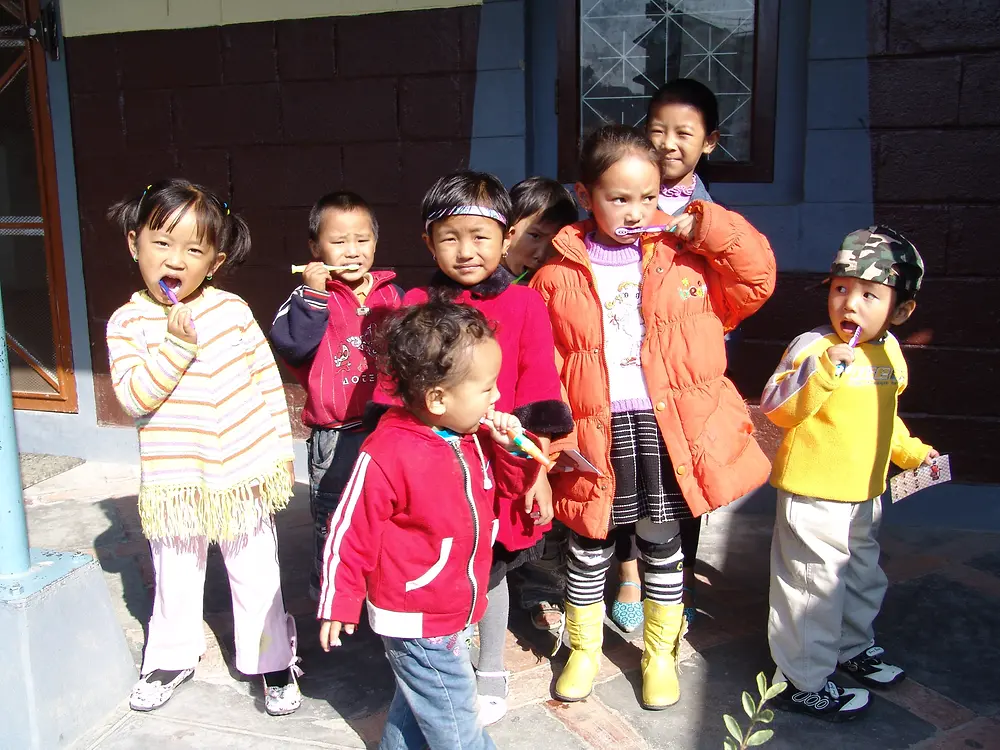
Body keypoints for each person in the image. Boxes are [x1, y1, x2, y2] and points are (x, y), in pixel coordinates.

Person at [531, 124, 775, 710]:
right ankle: (584, 648)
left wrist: (708, 225)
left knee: (661, 542)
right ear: (586, 195)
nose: (636, 210)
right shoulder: (555, 274)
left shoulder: (684, 258)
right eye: (619, 198)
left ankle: (659, 651)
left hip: (666, 430)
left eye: (650, 196)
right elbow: (540, 363)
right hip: (593, 428)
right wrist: (545, 439)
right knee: (588, 541)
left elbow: (757, 279)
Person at [372, 171, 574, 724]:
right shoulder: (414, 303)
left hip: (502, 464)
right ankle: (446, 662)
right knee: (443, 561)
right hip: (434, 465)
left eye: (481, 236)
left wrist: (537, 470)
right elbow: (396, 392)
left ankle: (491, 668)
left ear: (506, 237)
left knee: (491, 568)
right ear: (427, 241)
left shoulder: (526, 306)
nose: (467, 251)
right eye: (450, 237)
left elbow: (538, 392)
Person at [106, 179, 301, 716]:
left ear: (214, 260)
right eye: (162, 243)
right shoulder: (129, 322)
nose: (176, 259)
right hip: (176, 479)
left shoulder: (232, 310)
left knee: (256, 568)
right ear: (133, 244)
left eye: (194, 249)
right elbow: (133, 397)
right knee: (175, 569)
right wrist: (174, 344)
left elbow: (265, 380)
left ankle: (271, 658)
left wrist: (280, 450)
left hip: (242, 471)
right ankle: (171, 655)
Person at [317, 302, 541, 750]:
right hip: (416, 614)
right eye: (487, 389)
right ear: (438, 398)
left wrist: (513, 449)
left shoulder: (468, 436)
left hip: (452, 605)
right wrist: (339, 600)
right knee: (456, 723)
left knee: (419, 702)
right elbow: (349, 531)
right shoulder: (388, 452)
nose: (496, 398)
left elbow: (507, 490)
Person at [761, 226, 937, 722]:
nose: (850, 305)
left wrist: (910, 452)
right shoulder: (811, 348)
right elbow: (777, 408)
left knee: (860, 576)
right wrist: (820, 373)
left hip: (865, 492)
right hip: (812, 496)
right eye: (841, 290)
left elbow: (886, 416)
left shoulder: (889, 353)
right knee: (812, 587)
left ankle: (850, 647)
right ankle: (803, 679)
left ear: (900, 311)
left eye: (869, 295)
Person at [605, 78, 723, 632]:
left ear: (710, 143)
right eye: (658, 131)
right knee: (627, 470)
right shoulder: (620, 203)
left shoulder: (709, 212)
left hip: (683, 365)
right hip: (624, 367)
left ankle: (676, 577)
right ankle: (628, 570)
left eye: (685, 133)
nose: (670, 143)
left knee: (681, 471)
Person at [270, 191, 402, 601]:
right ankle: (330, 587)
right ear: (315, 249)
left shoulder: (392, 295)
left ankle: (378, 583)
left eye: (361, 240)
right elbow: (291, 345)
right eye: (338, 241)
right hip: (336, 435)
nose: (351, 251)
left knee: (384, 510)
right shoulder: (307, 298)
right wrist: (314, 297)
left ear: (375, 243)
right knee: (333, 513)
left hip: (388, 428)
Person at [498, 176, 578, 633]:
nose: (542, 248)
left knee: (545, 504)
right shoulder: (491, 284)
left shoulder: (556, 284)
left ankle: (542, 587)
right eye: (534, 234)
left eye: (555, 239)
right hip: (496, 413)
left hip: (547, 410)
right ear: (506, 229)